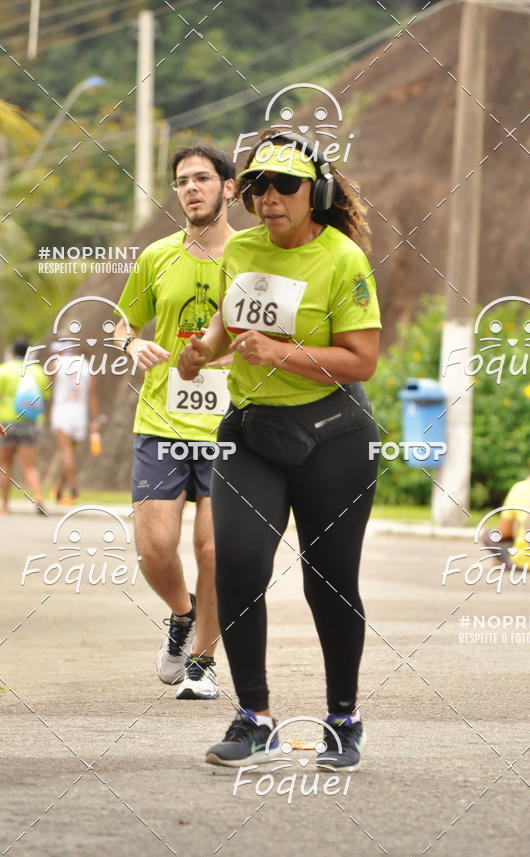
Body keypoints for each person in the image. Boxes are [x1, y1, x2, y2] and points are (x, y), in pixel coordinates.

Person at [178, 129, 382, 771]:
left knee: (331, 581)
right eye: (259, 185)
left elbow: (363, 360)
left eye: (285, 185)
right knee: (237, 563)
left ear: (313, 193)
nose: (269, 197)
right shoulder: (239, 249)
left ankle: (343, 720)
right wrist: (201, 352)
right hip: (251, 433)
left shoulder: (342, 259)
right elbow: (228, 323)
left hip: (334, 438)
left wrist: (283, 354)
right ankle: (254, 717)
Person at [114, 143, 236, 699]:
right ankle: (182, 617)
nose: (191, 188)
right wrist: (133, 342)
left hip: (232, 426)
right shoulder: (157, 256)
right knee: (154, 548)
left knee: (215, 549)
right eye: (182, 180)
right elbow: (121, 322)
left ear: (228, 188)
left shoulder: (255, 257)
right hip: (161, 419)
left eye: (203, 178)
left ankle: (204, 663)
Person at [0, 337, 51, 515]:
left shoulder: (3, 370)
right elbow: (45, 397)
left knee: (5, 464)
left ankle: (5, 506)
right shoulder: (37, 371)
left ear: (12, 352)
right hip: (31, 424)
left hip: (6, 423)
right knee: (30, 466)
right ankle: (38, 498)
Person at [47, 340, 100, 505]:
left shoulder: (56, 364)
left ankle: (74, 489)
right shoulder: (84, 364)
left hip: (63, 411)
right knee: (69, 453)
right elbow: (92, 394)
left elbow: (47, 385)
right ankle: (59, 490)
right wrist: (95, 419)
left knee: (65, 453)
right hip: (80, 414)